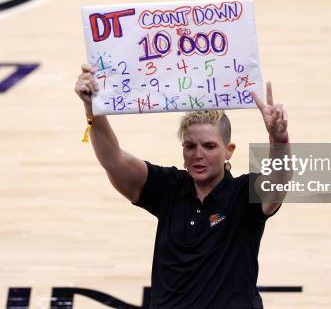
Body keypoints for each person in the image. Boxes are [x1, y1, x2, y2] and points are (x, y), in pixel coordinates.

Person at [75, 63, 290, 309]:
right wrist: (92, 108)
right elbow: (113, 160)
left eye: (209, 146)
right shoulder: (168, 187)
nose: (198, 155)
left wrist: (279, 140)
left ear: (228, 151)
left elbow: (278, 184)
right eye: (190, 146)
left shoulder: (244, 193)